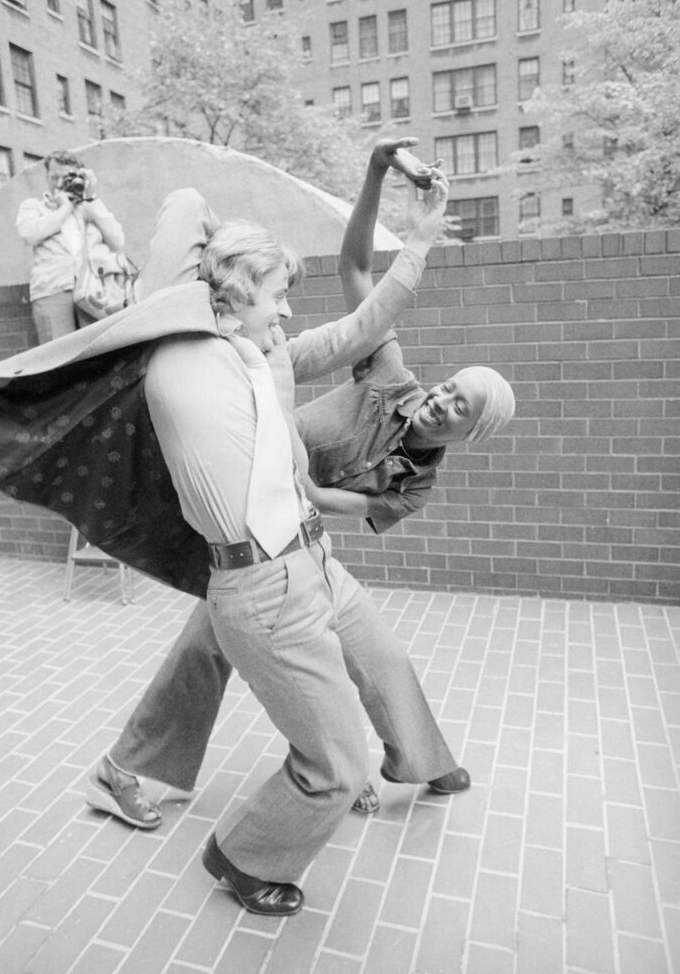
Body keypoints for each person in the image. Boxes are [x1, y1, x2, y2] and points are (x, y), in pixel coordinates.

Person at [87, 139, 513, 833]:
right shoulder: (379, 378)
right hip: (244, 526)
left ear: (471, 435)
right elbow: (361, 294)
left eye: (458, 406)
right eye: (448, 387)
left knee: (373, 651)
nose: (440, 398)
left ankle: (418, 759)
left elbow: (318, 497)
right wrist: (383, 182)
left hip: (291, 538)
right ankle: (132, 770)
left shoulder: (410, 486)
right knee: (219, 654)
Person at [15, 149, 125, 344]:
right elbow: (30, 234)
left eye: (65, 177)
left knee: (95, 353)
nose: (58, 184)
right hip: (53, 291)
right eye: (53, 177)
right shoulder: (34, 206)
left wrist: (91, 198)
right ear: (47, 176)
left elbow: (117, 241)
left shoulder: (89, 208)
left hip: (92, 291)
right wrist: (64, 207)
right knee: (57, 358)